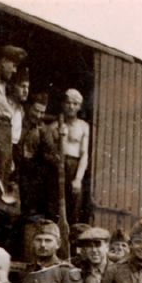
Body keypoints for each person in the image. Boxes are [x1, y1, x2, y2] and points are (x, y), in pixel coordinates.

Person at [0, 45, 27, 204]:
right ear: (3, 61)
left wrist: (10, 158)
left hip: (5, 147)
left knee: (2, 193)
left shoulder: (4, 87)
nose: (14, 71)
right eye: (13, 65)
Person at [43, 89, 90, 223]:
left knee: (74, 206)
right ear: (63, 104)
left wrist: (78, 178)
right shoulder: (53, 126)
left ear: (79, 106)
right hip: (57, 167)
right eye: (68, 103)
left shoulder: (83, 126)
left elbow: (84, 154)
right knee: (54, 205)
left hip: (74, 167)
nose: (71, 106)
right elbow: (47, 153)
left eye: (75, 104)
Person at [14, 91, 51, 220]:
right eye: (36, 111)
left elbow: (50, 151)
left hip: (31, 172)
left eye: (42, 112)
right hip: (16, 166)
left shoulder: (43, 129)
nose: (39, 115)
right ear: (29, 107)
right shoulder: (19, 121)